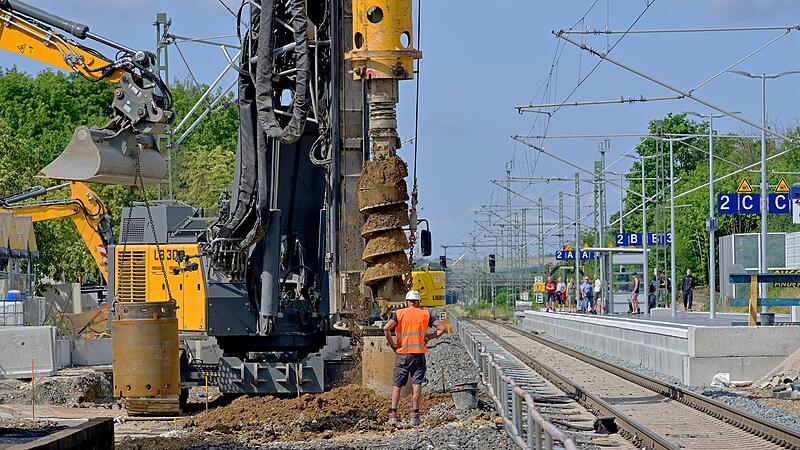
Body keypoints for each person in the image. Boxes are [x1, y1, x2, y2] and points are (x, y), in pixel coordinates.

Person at [383, 290, 446, 426]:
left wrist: (393, 345)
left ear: (406, 302)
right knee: (416, 384)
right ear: (418, 302)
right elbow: (442, 328)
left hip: (403, 354)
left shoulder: (399, 314)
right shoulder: (425, 314)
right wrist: (429, 337)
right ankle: (415, 416)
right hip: (419, 355)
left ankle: (393, 415)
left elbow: (386, 328)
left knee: (397, 384)